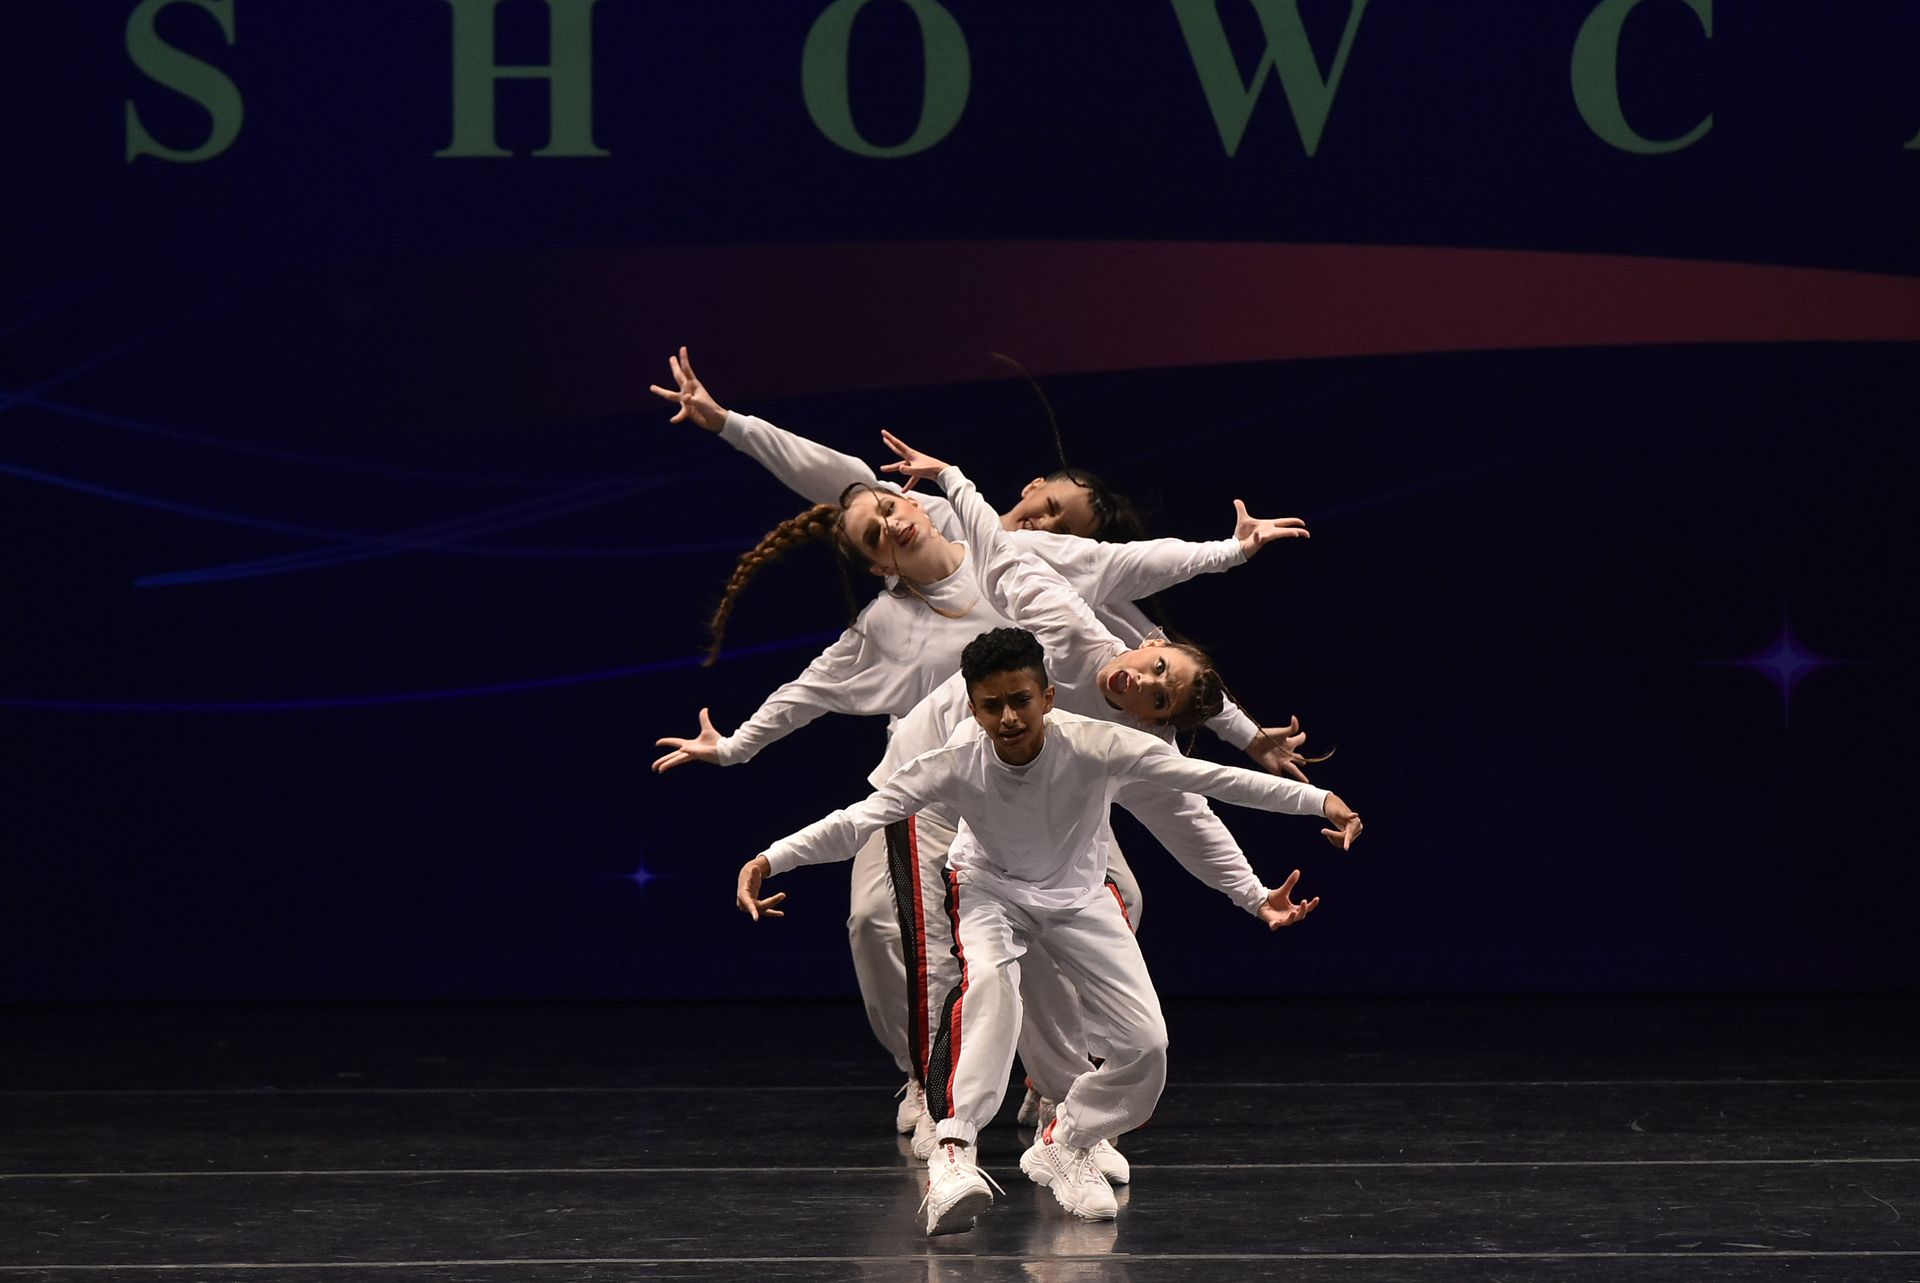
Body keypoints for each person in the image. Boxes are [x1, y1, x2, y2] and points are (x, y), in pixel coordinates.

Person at [648, 350, 1313, 1133]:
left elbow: (1155, 658)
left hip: (1037, 780)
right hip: (935, 781)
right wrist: (733, 747)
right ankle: (930, 1072)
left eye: (1063, 519)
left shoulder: (1031, 575)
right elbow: (835, 526)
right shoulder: (904, 595)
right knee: (877, 923)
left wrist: (1243, 726)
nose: (1045, 522)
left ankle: (1053, 1078)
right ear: (880, 556)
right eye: (1047, 505)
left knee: (1114, 900)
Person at [735, 627, 1362, 1234]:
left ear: (1048, 697)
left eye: (1020, 701)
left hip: (1079, 898)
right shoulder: (953, 761)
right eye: (992, 706)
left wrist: (1318, 802)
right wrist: (770, 859)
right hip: (989, 893)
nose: (1009, 718)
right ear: (974, 707)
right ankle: (953, 1155)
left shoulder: (1098, 744)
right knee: (989, 990)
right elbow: (855, 821)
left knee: (1148, 1046)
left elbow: (1212, 782)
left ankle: (1068, 1138)